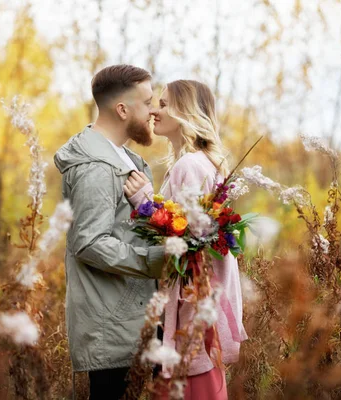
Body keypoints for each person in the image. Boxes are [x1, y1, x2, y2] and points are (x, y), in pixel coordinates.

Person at [125, 80, 248, 400]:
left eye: (164, 105)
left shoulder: (189, 165)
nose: (154, 110)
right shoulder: (203, 161)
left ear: (187, 112)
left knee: (190, 385)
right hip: (200, 302)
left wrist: (143, 204)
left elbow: (190, 237)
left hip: (192, 305)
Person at [54, 64, 166, 400]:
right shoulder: (96, 167)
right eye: (148, 102)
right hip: (113, 324)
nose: (154, 110)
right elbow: (89, 242)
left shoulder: (124, 159)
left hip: (135, 317)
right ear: (122, 109)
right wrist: (152, 261)